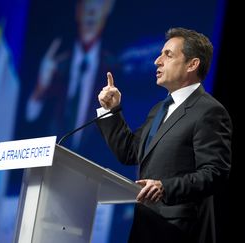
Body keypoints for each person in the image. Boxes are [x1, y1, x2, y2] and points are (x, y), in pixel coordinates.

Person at [96, 27, 232, 243]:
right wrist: (110, 111)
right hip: (145, 226)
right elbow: (130, 152)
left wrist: (165, 187)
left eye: (168, 55)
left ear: (192, 64)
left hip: (179, 231)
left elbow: (215, 174)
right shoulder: (160, 108)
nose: (157, 61)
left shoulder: (209, 111)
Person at [24, 0, 119, 153]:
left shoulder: (115, 67)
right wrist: (40, 88)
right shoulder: (56, 62)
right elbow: (30, 116)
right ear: (78, 11)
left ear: (107, 10)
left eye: (98, 5)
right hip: (49, 161)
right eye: (87, 5)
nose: (92, 12)